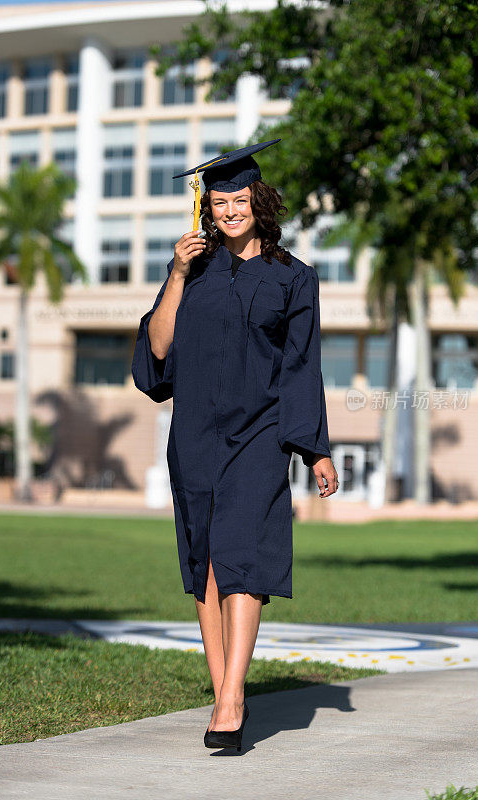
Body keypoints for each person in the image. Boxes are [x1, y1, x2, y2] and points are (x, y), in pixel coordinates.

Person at [131, 139, 339, 752]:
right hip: (194, 434)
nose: (228, 210)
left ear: (259, 202)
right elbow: (158, 354)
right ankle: (224, 689)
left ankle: (231, 699)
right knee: (207, 564)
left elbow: (303, 367)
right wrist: (175, 273)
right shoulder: (191, 275)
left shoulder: (293, 279)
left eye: (239, 198)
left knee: (242, 553)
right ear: (207, 208)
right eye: (218, 201)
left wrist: (316, 448)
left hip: (259, 434)